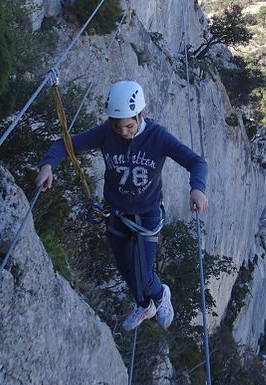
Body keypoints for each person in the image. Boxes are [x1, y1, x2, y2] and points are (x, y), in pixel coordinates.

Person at [36, 81, 208, 332]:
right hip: (116, 212)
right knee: (126, 269)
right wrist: (47, 165)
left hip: (148, 213)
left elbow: (196, 161)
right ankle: (143, 305)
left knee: (144, 273)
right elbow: (66, 144)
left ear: (140, 115)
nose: (124, 132)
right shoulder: (107, 133)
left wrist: (197, 188)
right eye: (118, 126)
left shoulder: (157, 137)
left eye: (129, 125)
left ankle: (161, 296)